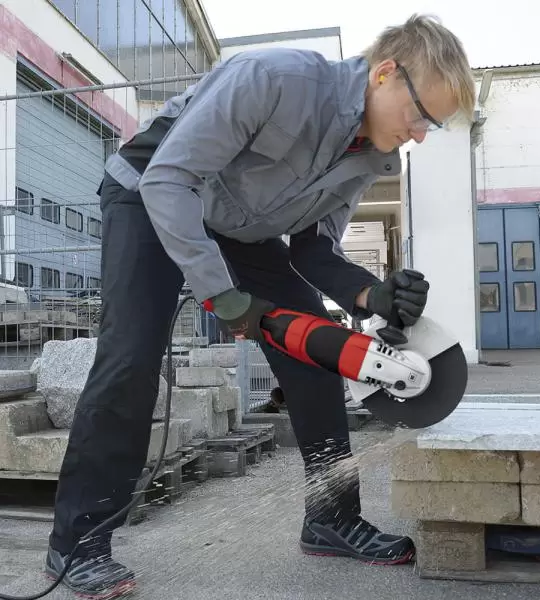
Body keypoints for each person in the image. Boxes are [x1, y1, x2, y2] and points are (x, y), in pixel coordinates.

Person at [44, 14, 475, 598]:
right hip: (151, 192)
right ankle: (77, 543)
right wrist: (223, 297)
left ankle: (331, 518)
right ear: (385, 75)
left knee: (319, 354)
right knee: (131, 359)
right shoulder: (274, 79)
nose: (420, 134)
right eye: (421, 115)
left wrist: (372, 293)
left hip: (238, 228)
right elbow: (170, 179)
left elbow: (315, 249)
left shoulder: (372, 156)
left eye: (433, 126)